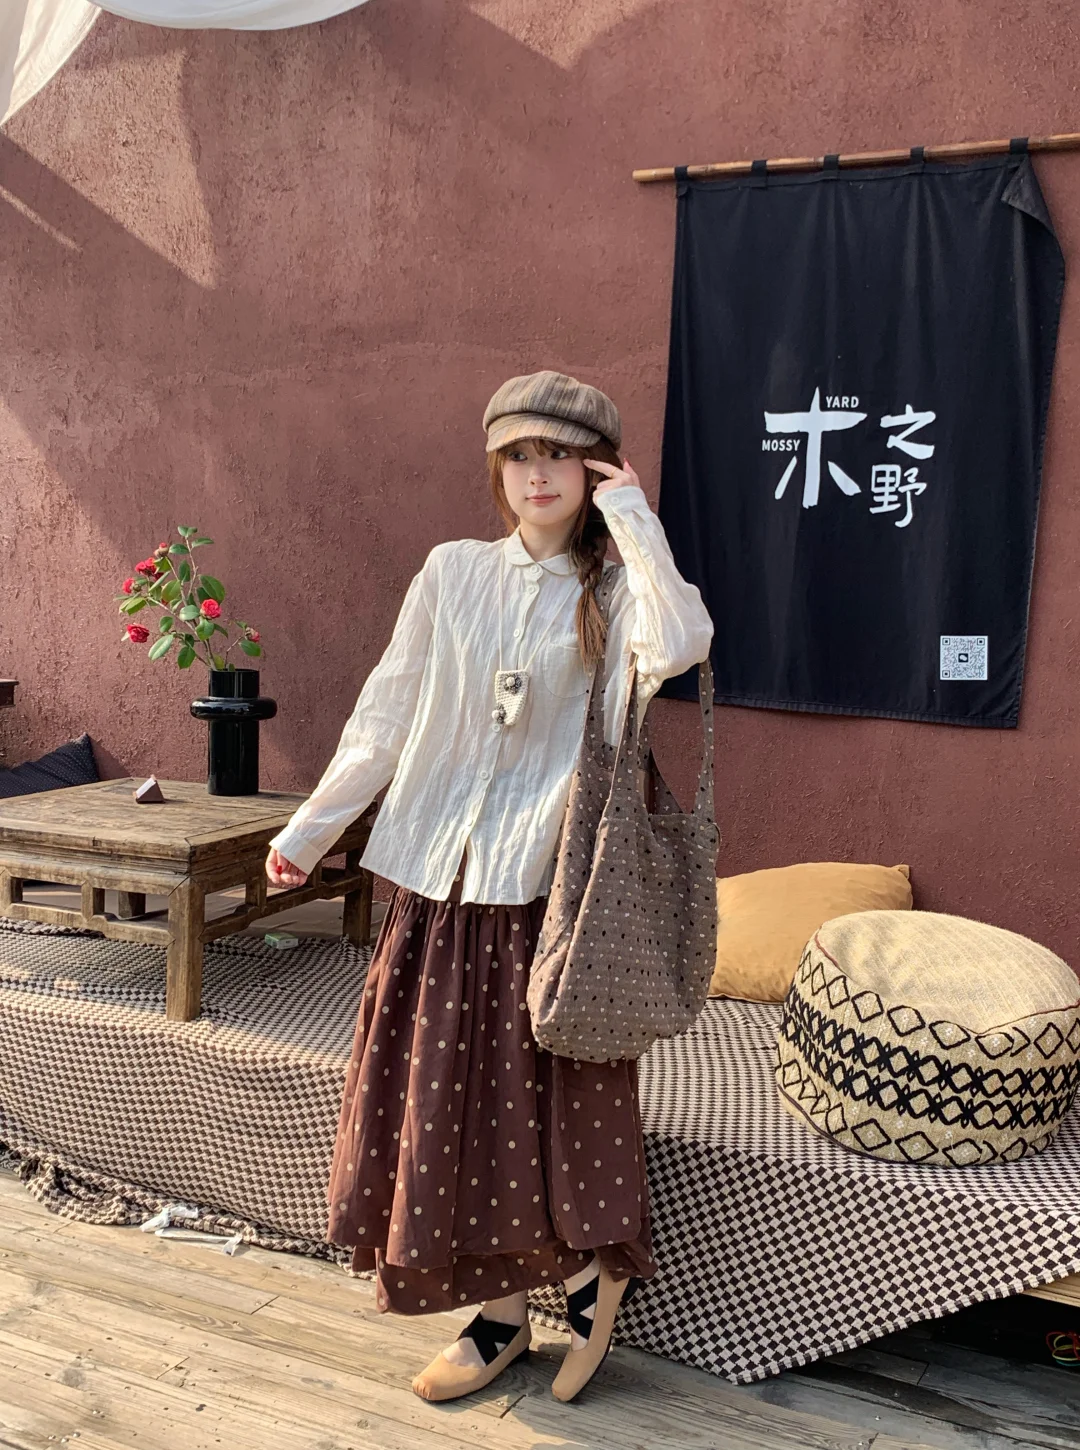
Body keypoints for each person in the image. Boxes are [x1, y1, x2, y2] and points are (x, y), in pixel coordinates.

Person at [265, 370, 714, 1403]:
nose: (537, 474)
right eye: (519, 454)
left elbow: (683, 645)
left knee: (554, 1098)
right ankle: (501, 1316)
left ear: (594, 470)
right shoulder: (451, 571)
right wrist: (310, 830)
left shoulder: (617, 592)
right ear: (496, 467)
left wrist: (634, 519)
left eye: (559, 455)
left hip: (549, 894)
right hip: (439, 883)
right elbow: (387, 712)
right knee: (454, 1107)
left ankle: (596, 1274)